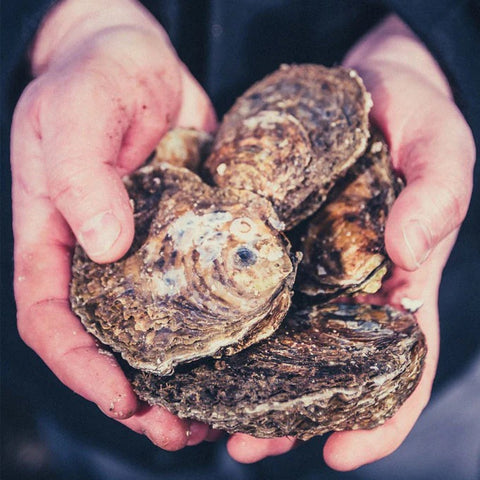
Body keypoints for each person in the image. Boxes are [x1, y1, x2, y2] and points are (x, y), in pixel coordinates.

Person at [3, 0, 479, 478]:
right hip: (92, 408)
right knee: (102, 441)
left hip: (457, 305)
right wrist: (73, 20)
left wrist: (430, 42)